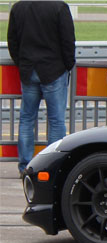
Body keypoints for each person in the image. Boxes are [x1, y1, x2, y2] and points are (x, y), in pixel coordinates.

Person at [7, 0, 76, 177]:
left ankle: (25, 166)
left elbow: (12, 41)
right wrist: (68, 65)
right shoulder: (59, 7)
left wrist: (21, 63)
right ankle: (53, 166)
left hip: (28, 69)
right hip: (54, 69)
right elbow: (68, 40)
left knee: (26, 119)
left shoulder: (18, 7)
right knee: (56, 120)